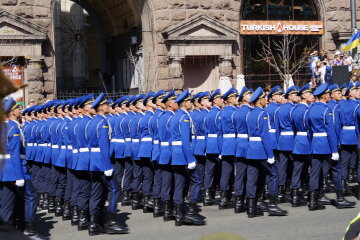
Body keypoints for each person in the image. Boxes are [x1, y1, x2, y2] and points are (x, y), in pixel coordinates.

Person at [307, 83, 355, 211]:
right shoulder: (327, 110)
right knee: (336, 170)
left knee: (315, 173)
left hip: (315, 145)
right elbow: (331, 131)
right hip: (326, 145)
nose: (329, 96)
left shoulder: (310, 109)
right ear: (324, 96)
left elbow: (309, 130)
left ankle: (312, 202)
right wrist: (334, 150)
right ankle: (339, 198)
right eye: (327, 94)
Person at [0, 98, 41, 239]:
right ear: (12, 111)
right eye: (18, 108)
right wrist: (18, 176)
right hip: (15, 170)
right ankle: (30, 229)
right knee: (31, 196)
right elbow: (15, 154)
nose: (20, 111)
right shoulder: (13, 127)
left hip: (4, 170)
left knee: (8, 201)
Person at [170, 89, 205, 226]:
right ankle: (191, 211)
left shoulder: (175, 116)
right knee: (196, 181)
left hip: (176, 155)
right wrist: (190, 160)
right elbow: (185, 141)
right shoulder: (184, 117)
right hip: (184, 155)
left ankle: (179, 215)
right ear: (184, 103)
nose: (192, 103)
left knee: (180, 184)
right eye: (190, 101)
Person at [275, 86, 300, 203]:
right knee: (296, 166)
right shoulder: (293, 109)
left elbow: (277, 127)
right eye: (295, 95)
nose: (298, 97)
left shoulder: (280, 109)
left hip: (282, 140)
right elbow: (296, 126)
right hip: (292, 139)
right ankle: (294, 191)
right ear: (289, 96)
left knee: (282, 166)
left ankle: (280, 191)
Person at [290, 84, 313, 207]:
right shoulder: (307, 110)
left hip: (298, 141)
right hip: (307, 141)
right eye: (309, 94)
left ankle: (294, 196)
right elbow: (310, 128)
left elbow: (293, 127)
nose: (312, 96)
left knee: (297, 169)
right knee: (314, 168)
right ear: (303, 96)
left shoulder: (295, 110)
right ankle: (313, 194)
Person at [218, 88, 239, 209]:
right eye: (235, 97)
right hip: (234, 143)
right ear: (230, 100)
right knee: (238, 172)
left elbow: (220, 132)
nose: (237, 99)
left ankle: (223, 199)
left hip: (225, 144)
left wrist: (221, 149)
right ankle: (236, 197)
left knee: (225, 173)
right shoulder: (234, 112)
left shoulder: (222, 112)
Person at [203, 89, 223, 206]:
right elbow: (220, 132)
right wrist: (221, 150)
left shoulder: (208, 113)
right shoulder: (218, 114)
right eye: (220, 98)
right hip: (216, 144)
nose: (222, 100)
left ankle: (207, 195)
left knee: (209, 171)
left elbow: (206, 132)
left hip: (209, 144)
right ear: (215, 100)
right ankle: (219, 193)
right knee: (220, 170)